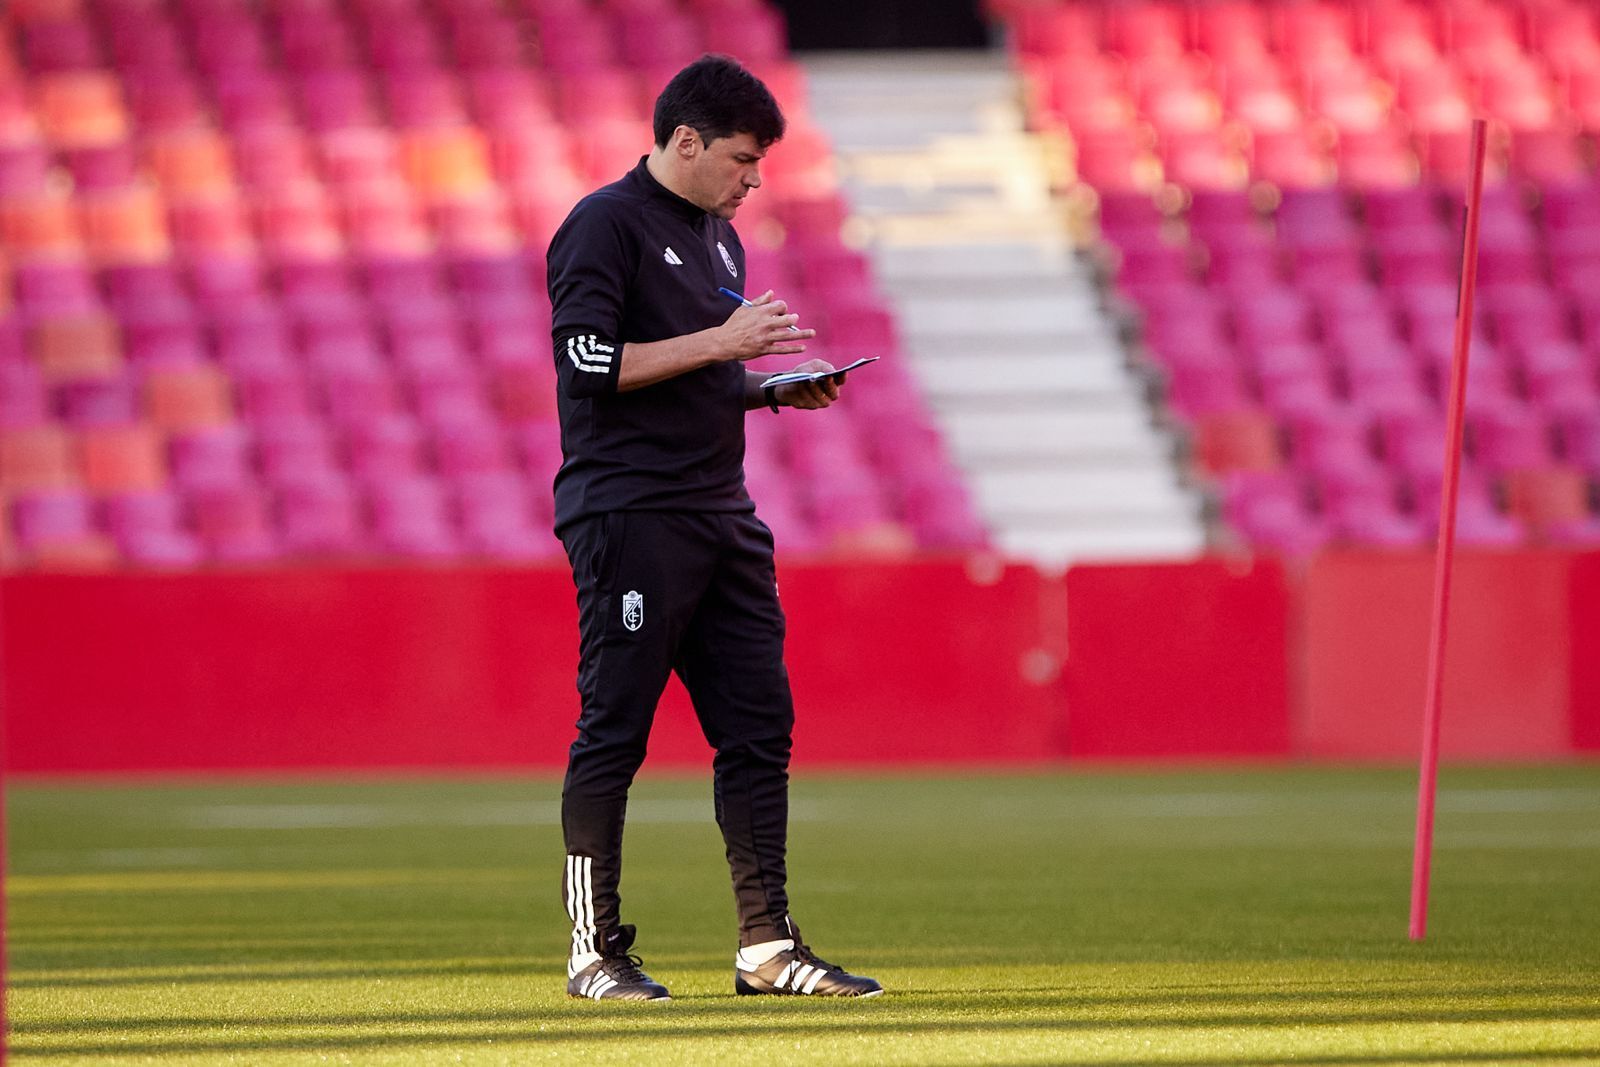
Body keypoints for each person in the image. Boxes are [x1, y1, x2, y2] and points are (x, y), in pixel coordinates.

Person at [544, 54, 884, 1002]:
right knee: (615, 727)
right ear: (684, 141)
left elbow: (695, 372)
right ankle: (593, 950)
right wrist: (726, 345)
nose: (752, 181)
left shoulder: (718, 241)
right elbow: (590, 362)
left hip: (720, 512)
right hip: (630, 511)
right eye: (741, 160)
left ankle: (766, 945)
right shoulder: (601, 225)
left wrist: (766, 387)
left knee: (758, 728)